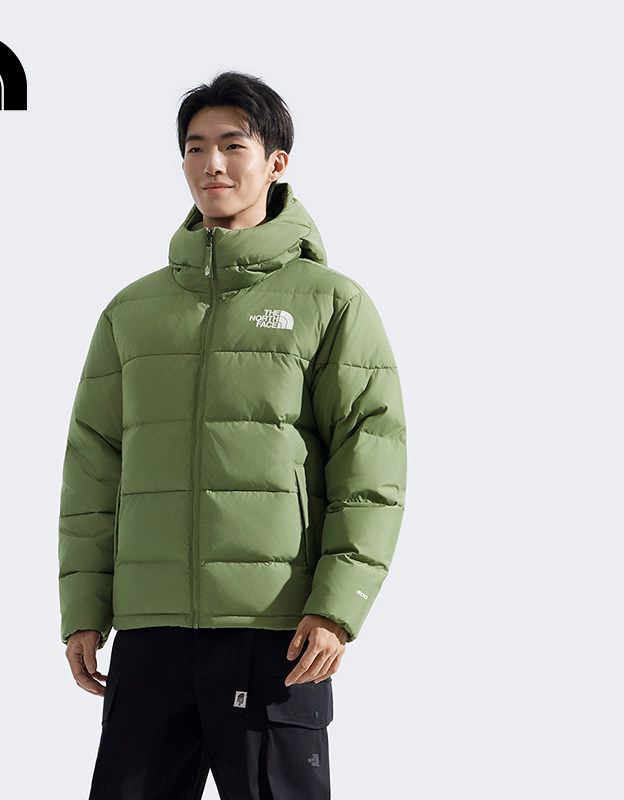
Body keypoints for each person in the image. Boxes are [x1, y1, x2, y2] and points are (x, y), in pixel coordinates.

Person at [58, 70, 407, 799]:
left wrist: (336, 608)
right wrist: (85, 609)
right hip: (151, 630)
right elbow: (93, 469)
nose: (211, 163)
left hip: (272, 628)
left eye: (232, 145)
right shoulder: (132, 312)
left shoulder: (331, 303)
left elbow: (369, 467)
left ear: (276, 162)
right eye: (195, 147)